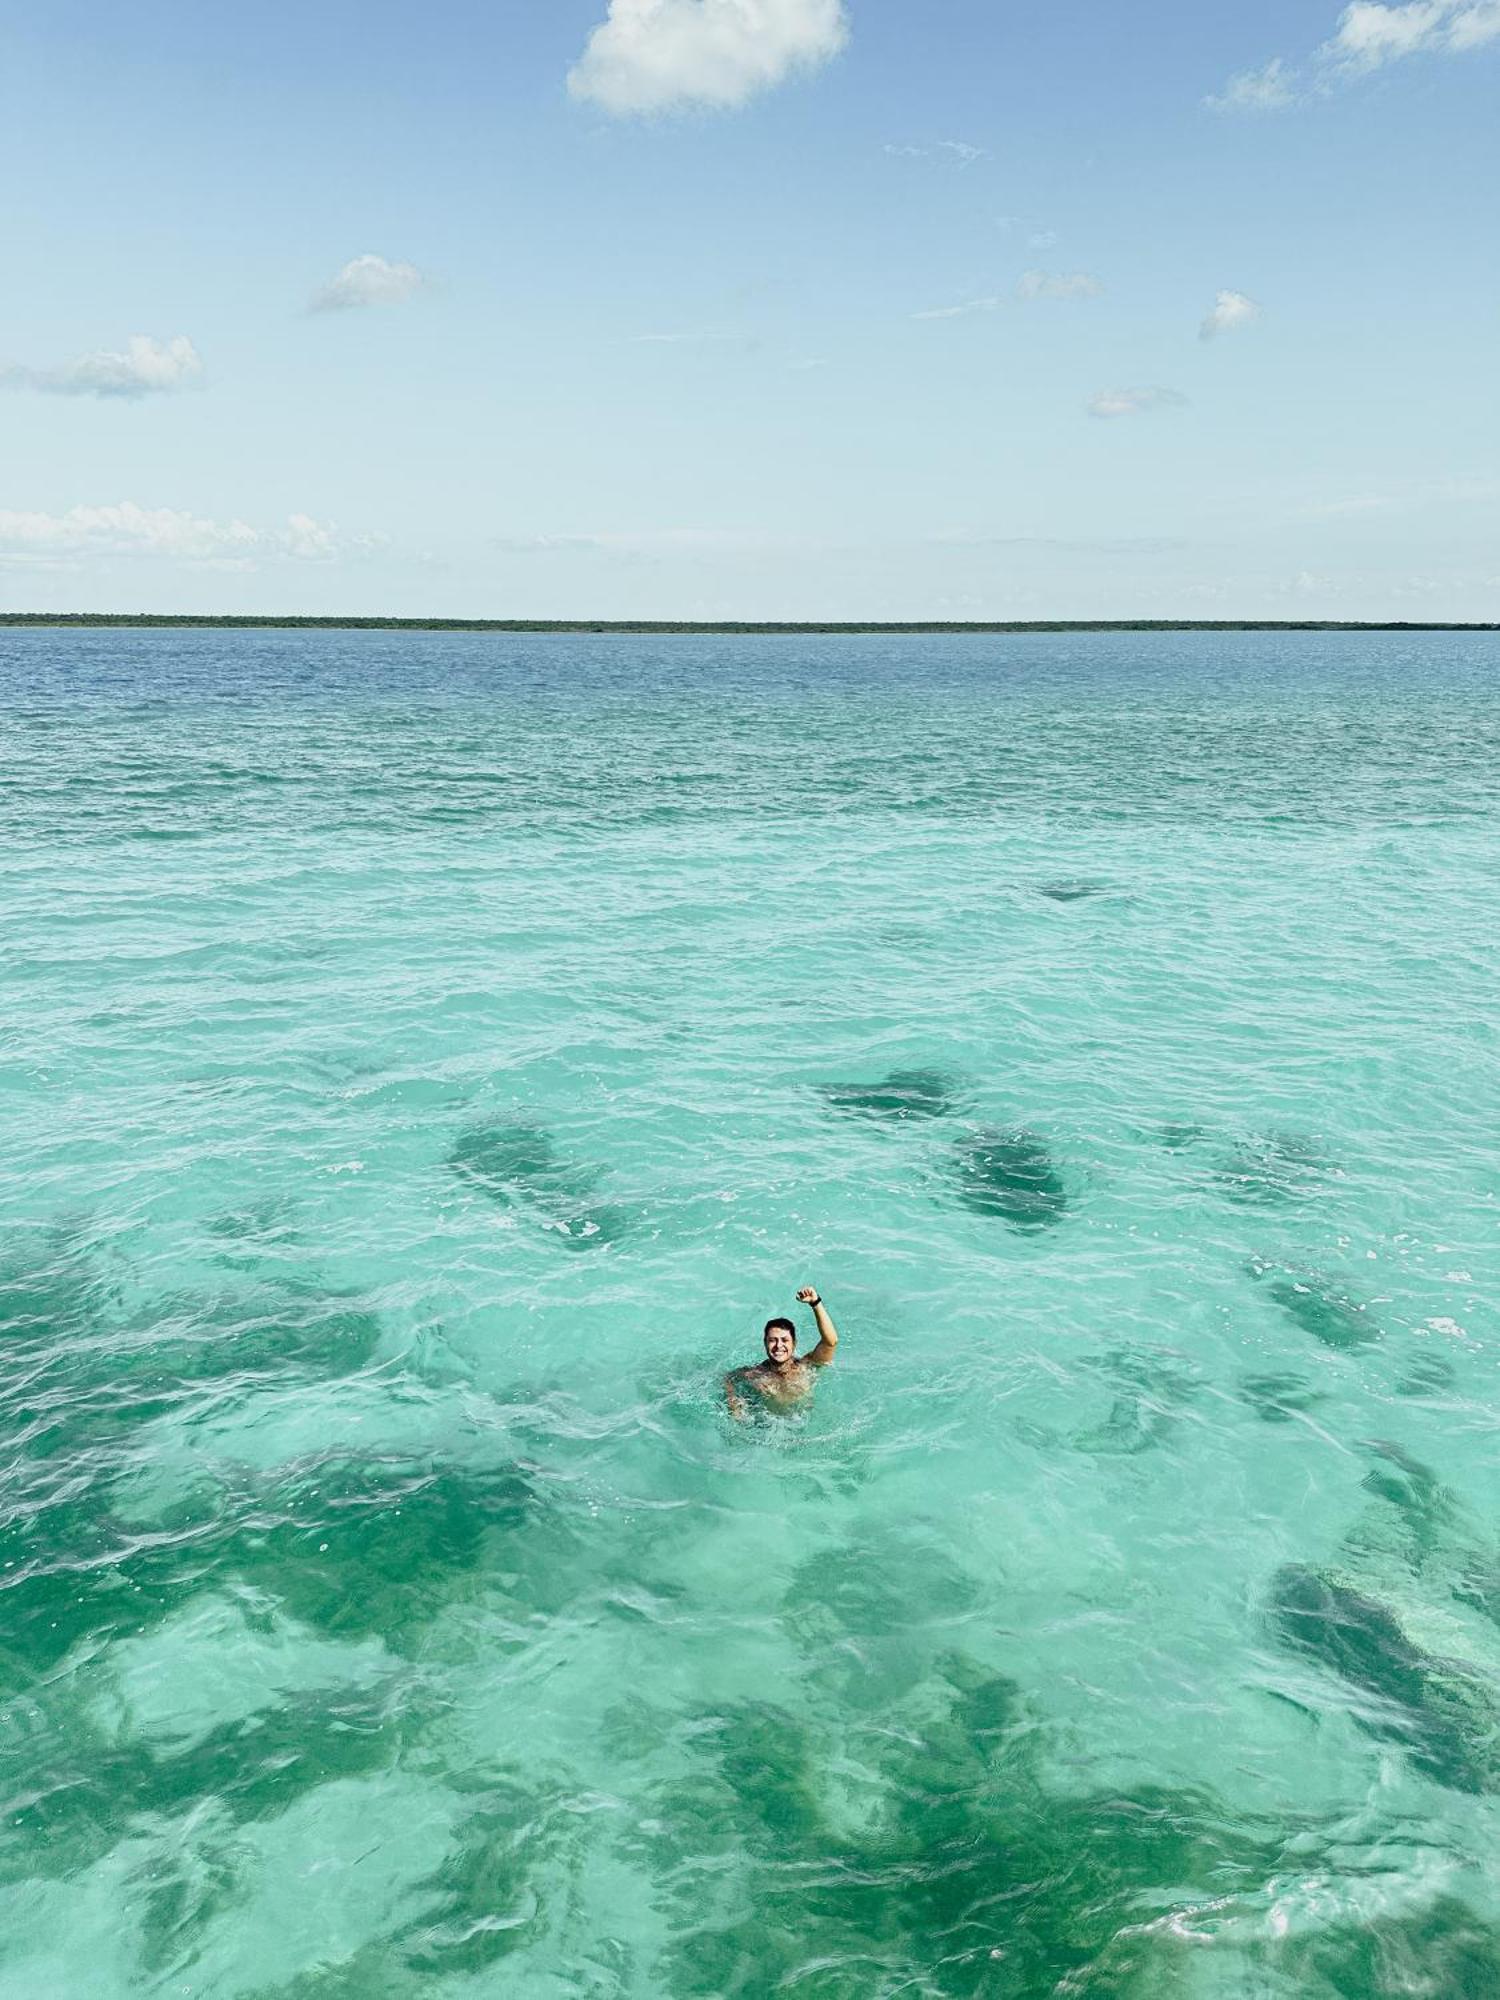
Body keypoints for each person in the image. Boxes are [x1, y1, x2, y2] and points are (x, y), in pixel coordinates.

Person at [724, 1287, 839, 1419]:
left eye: (785, 1340)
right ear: (765, 1343)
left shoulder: (806, 1366)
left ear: (794, 1343)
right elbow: (728, 1378)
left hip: (803, 1423)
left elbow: (830, 1342)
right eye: (773, 1340)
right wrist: (733, 1402)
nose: (779, 1346)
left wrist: (815, 1303)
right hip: (768, 1427)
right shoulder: (755, 1374)